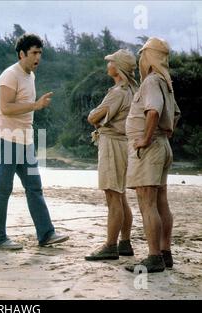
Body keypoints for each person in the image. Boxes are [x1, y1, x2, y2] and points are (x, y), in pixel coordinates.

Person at [0, 33, 69, 250]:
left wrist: (34, 108)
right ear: (22, 54)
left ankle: (46, 234)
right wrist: (35, 105)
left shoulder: (30, 76)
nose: (38, 57)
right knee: (3, 188)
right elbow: (5, 107)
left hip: (26, 141)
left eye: (40, 53)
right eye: (34, 53)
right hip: (5, 139)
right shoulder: (9, 75)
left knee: (34, 187)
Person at [124, 37, 181, 273]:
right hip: (162, 146)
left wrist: (146, 139)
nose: (140, 58)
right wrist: (162, 135)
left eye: (142, 54)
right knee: (161, 202)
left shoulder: (150, 82)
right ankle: (165, 253)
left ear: (148, 56)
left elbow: (153, 111)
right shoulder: (166, 82)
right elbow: (175, 115)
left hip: (150, 148)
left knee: (147, 204)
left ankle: (154, 256)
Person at [85, 49, 137, 261]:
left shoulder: (117, 92)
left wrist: (94, 117)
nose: (108, 64)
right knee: (121, 195)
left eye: (111, 62)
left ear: (118, 68)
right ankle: (124, 242)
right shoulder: (134, 89)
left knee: (113, 196)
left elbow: (94, 116)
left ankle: (110, 245)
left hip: (113, 144)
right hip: (126, 144)